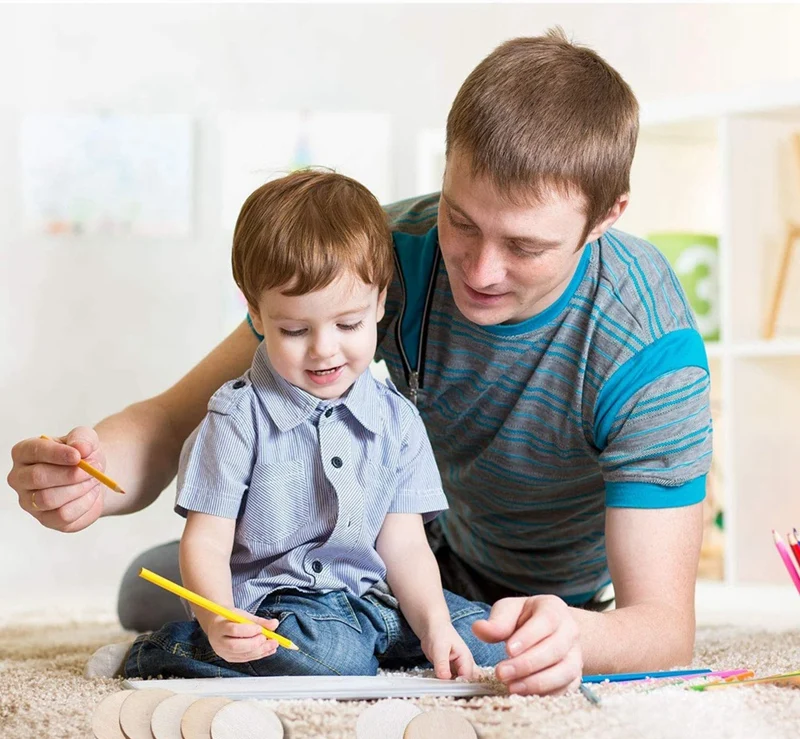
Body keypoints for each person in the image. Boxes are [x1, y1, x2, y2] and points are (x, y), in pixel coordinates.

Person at [8, 28, 712, 696]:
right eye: (461, 219)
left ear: (606, 217)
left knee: (484, 637)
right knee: (147, 588)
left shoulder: (649, 350)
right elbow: (173, 420)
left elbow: (661, 629)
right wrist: (87, 479)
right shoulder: (388, 254)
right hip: (386, 552)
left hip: (536, 592)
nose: (481, 269)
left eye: (525, 246)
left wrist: (575, 635)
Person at [119, 169, 507, 681]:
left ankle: (382, 644)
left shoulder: (397, 419)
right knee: (333, 657)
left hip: (371, 603)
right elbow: (206, 543)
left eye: (348, 325)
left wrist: (435, 625)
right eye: (296, 329)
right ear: (257, 314)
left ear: (380, 304)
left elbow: (405, 546)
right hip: (278, 609)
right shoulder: (237, 419)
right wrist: (218, 620)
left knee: (488, 639)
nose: (325, 349)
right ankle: (164, 651)